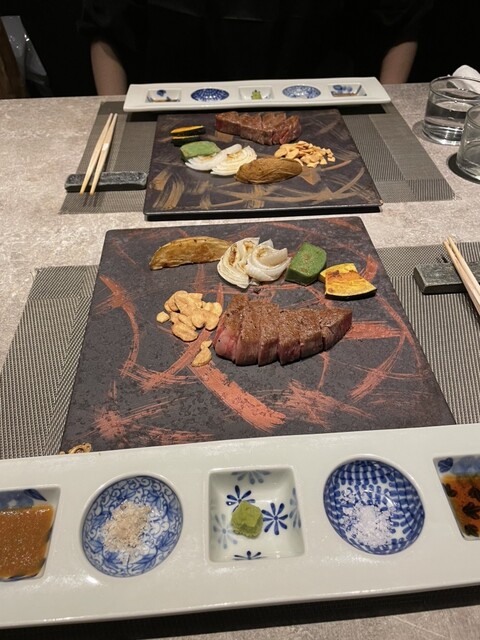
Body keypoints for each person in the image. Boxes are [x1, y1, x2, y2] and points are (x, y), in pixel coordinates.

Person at [78, 0, 434, 96]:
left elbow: (401, 15)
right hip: (174, 112)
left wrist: (391, 113)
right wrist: (113, 117)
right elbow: (106, 20)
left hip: (323, 111)